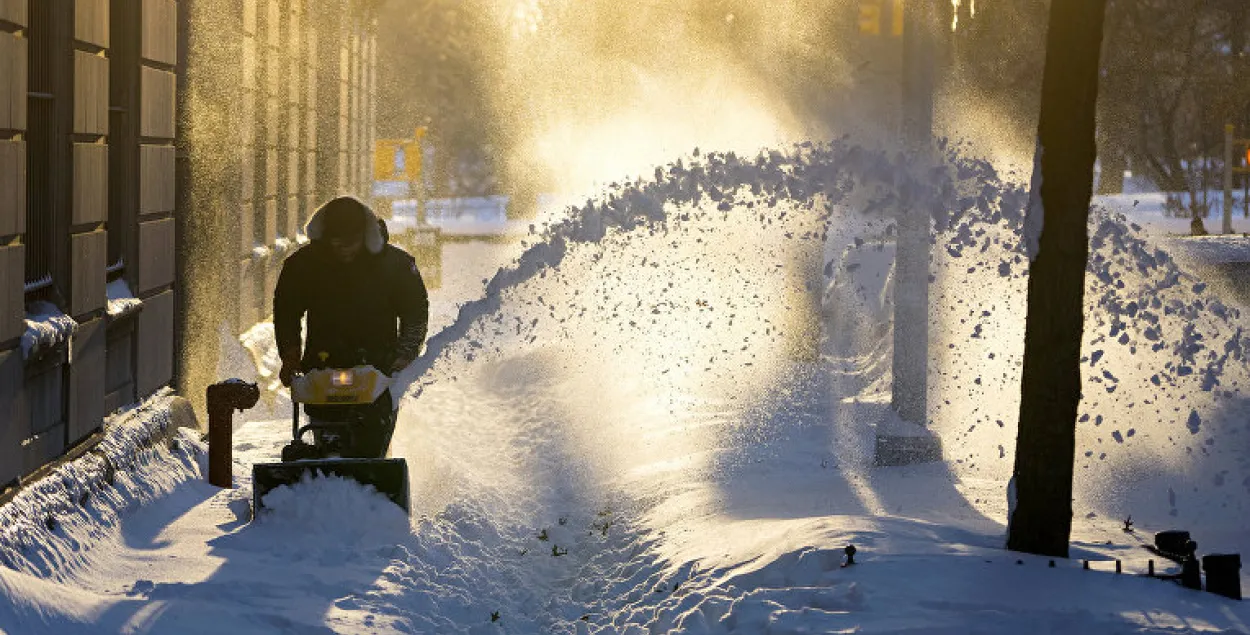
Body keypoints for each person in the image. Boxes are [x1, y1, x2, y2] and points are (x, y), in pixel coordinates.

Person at [273, 195, 429, 457]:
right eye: (337, 243)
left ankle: (371, 478)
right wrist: (290, 354)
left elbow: (415, 311)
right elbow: (286, 311)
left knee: (372, 443)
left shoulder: (396, 265)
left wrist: (406, 353)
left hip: (378, 369)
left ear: (365, 236)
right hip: (323, 367)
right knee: (327, 438)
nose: (344, 250)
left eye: (351, 243)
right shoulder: (303, 265)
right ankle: (329, 475)